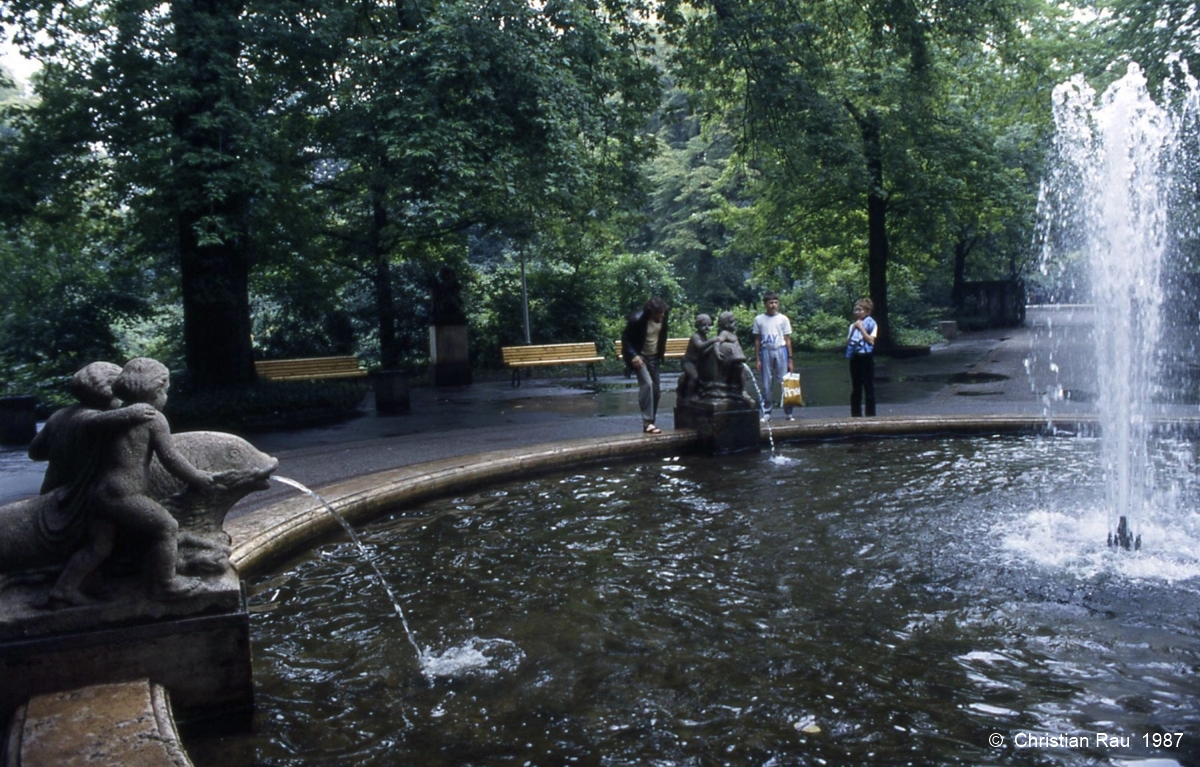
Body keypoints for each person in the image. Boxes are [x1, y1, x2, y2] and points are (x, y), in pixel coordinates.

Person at [55, 358, 226, 602]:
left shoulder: (115, 414)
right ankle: (165, 583)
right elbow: (171, 458)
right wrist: (198, 477)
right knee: (167, 527)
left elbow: (91, 431)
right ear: (155, 390)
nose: (166, 396)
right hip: (123, 493)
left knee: (98, 548)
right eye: (164, 390)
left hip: (98, 493)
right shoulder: (152, 418)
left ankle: (63, 589)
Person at [622, 297, 669, 434]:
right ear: (651, 313)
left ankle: (650, 424)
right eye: (659, 314)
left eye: (663, 313)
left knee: (656, 391)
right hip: (639, 357)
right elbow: (625, 339)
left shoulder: (663, 319)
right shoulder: (637, 320)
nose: (662, 316)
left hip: (654, 357)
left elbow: (662, 336)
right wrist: (634, 356)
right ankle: (647, 422)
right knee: (647, 385)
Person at [753, 291, 795, 421]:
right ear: (765, 304)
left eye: (776, 302)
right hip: (766, 351)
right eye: (771, 303)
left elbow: (787, 339)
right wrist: (758, 359)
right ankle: (767, 412)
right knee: (766, 383)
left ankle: (788, 412)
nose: (773, 305)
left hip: (780, 349)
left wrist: (790, 359)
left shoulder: (783, 319)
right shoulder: (759, 319)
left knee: (784, 381)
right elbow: (757, 340)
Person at [846, 297, 878, 417]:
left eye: (860, 310)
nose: (857, 312)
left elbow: (871, 340)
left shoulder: (871, 323)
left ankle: (871, 414)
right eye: (856, 310)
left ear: (867, 311)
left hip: (866, 357)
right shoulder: (852, 325)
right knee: (856, 387)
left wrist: (861, 328)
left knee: (868, 386)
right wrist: (854, 328)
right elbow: (848, 342)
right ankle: (855, 414)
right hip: (855, 357)